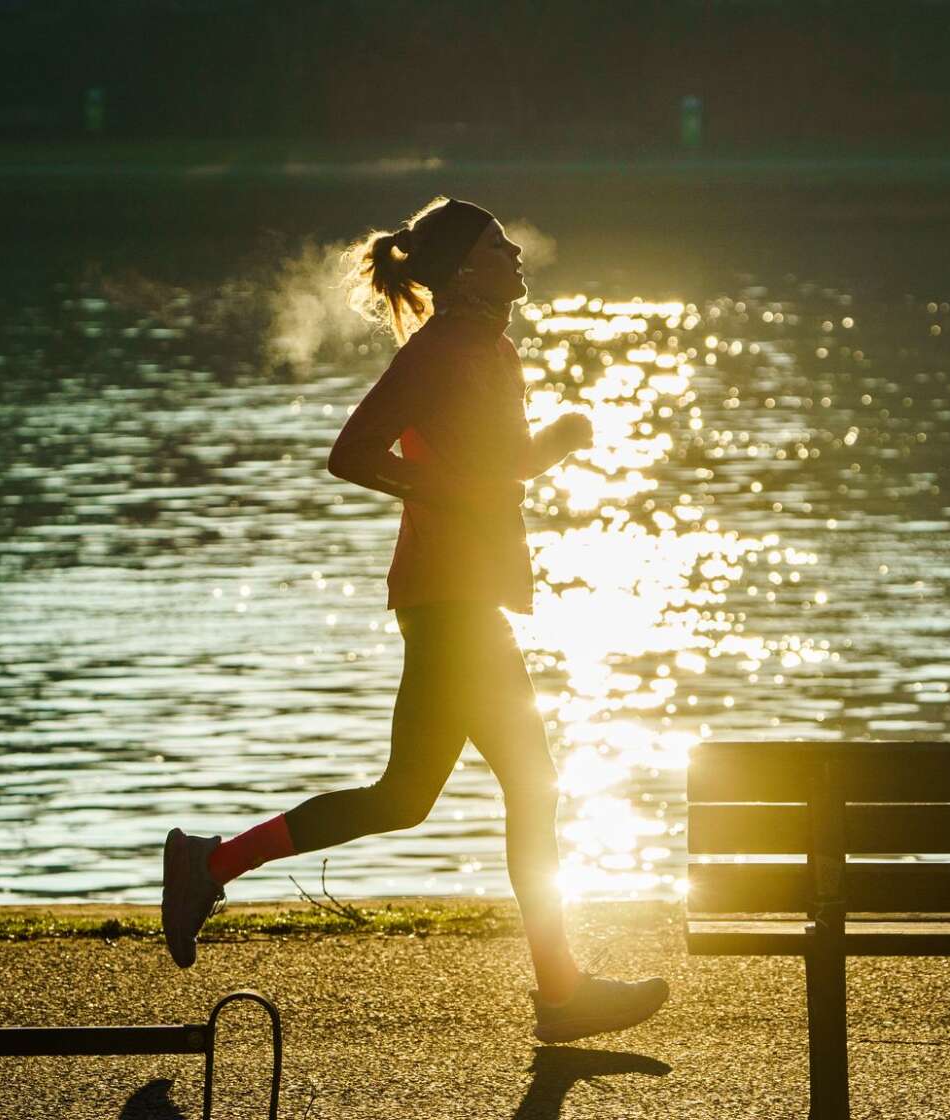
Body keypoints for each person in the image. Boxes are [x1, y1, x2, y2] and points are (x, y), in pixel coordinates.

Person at [162, 196, 669, 1045]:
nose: (516, 254)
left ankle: (209, 863)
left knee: (407, 797)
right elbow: (352, 453)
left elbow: (493, 468)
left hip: (468, 599)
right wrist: (448, 490)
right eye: (498, 245)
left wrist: (558, 443)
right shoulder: (439, 350)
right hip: (448, 601)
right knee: (525, 788)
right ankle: (560, 992)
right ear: (466, 269)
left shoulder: (491, 348)